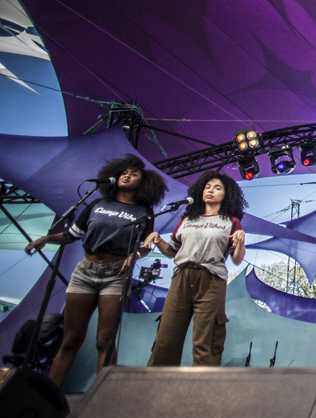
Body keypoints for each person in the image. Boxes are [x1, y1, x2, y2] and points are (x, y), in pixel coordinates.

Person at [24, 154, 167, 386]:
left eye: (134, 174)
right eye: (124, 173)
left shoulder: (144, 212)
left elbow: (145, 246)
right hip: (85, 271)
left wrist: (134, 255)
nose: (127, 176)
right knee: (70, 340)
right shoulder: (96, 205)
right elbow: (72, 235)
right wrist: (47, 238)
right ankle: (48, 396)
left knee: (105, 341)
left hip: (116, 275)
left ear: (143, 183)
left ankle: (103, 397)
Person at [144, 170, 246, 366]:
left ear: (226, 195)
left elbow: (237, 259)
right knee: (166, 337)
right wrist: (157, 240)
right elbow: (172, 251)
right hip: (182, 277)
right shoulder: (187, 219)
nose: (210, 190)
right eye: (207, 187)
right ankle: (158, 381)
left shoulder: (231, 222)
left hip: (211, 280)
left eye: (217, 188)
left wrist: (241, 242)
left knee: (205, 339)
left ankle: (204, 383)